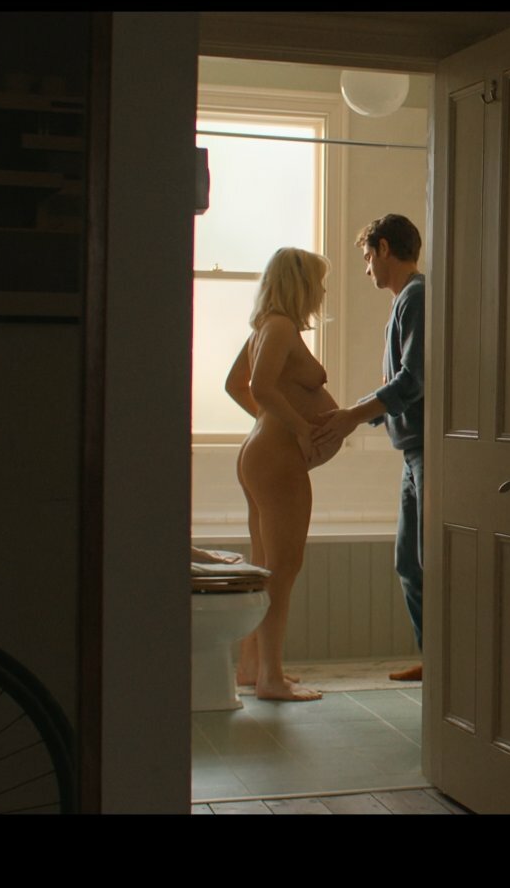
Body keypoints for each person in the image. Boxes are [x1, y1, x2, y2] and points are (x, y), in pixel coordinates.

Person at [226, 246, 343, 702]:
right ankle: (270, 678)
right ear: (301, 284)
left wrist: (271, 423)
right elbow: (258, 387)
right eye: (319, 283)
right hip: (275, 458)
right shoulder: (279, 327)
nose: (322, 292)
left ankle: (251, 667)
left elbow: (235, 385)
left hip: (262, 452)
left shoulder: (267, 327)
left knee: (265, 565)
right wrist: (298, 428)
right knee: (282, 568)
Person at [314, 214, 425, 682]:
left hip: (425, 452)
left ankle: (446, 664)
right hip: (412, 451)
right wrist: (352, 416)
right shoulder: (405, 301)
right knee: (409, 562)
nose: (365, 269)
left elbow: (413, 380)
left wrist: (352, 418)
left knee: (425, 560)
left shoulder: (416, 297)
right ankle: (436, 659)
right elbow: (401, 387)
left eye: (366, 257)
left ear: (383, 249)